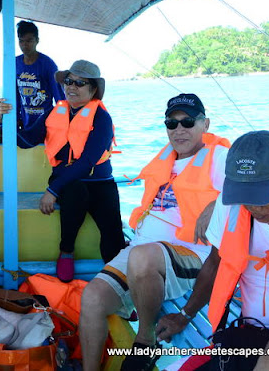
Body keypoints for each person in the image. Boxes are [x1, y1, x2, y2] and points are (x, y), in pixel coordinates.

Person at [79, 93, 230, 371]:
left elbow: (250, 181)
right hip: (143, 249)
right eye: (172, 124)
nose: (179, 129)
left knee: (141, 257)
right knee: (92, 297)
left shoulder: (218, 156)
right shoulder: (167, 157)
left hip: (189, 255)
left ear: (205, 124)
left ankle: (145, 339)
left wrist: (217, 203)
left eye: (187, 121)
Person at [156, 131, 269, 371]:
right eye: (245, 195)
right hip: (248, 337)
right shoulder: (232, 209)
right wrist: (185, 314)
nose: (254, 206)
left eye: (262, 195)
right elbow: (215, 263)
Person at [17, 60, 125, 282]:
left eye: (80, 83)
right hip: (67, 181)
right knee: (76, 191)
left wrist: (52, 190)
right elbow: (27, 140)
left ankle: (119, 282)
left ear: (93, 89)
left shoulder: (101, 118)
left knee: (112, 230)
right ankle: (66, 251)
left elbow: (87, 161)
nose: (72, 87)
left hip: (100, 182)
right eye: (68, 81)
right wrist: (4, 120)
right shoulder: (54, 112)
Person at [16, 20, 65, 130]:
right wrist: (15, 118)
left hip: (45, 124)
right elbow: (15, 95)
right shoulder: (15, 63)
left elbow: (59, 97)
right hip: (24, 123)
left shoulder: (48, 64)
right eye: (21, 41)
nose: (25, 45)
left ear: (37, 40)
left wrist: (63, 121)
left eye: (29, 41)